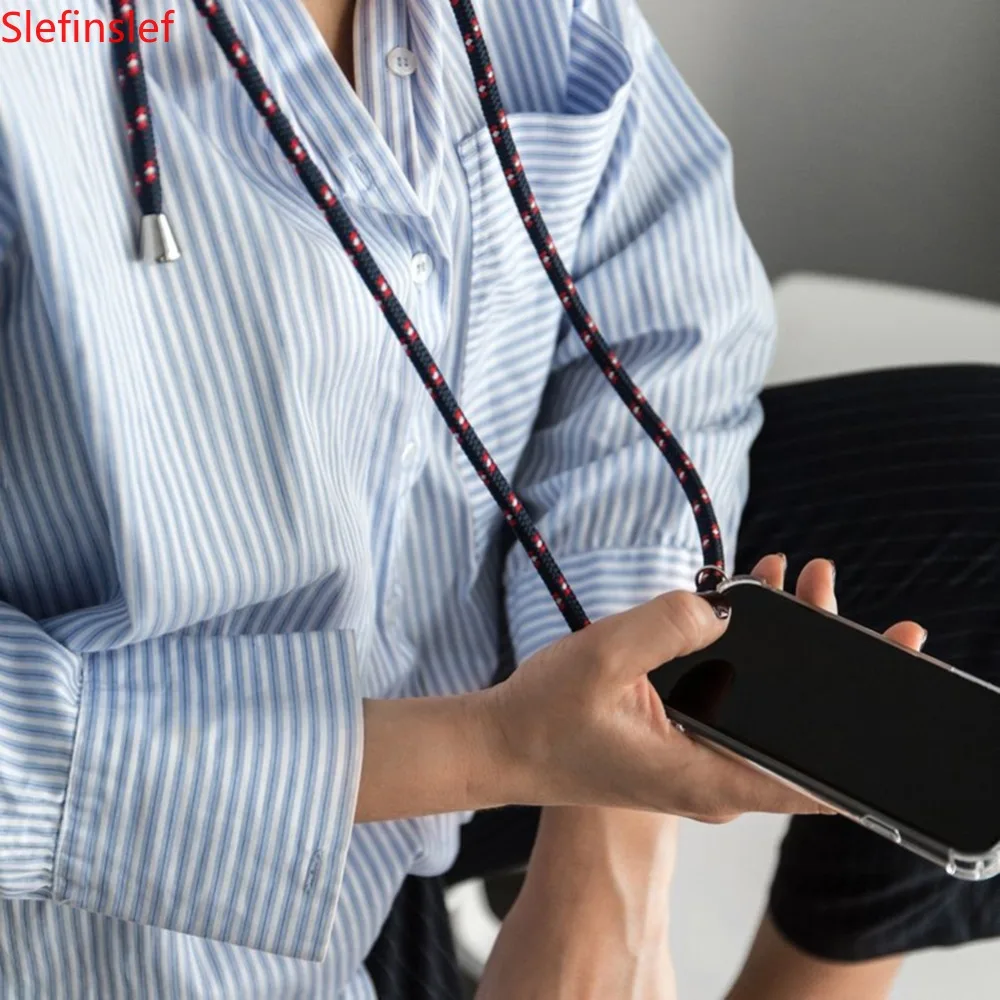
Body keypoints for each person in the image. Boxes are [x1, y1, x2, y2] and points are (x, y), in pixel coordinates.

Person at [0, 1, 978, 998]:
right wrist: (493, 748)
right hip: (139, 866)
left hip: (464, 657)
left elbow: (667, 314)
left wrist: (606, 851)